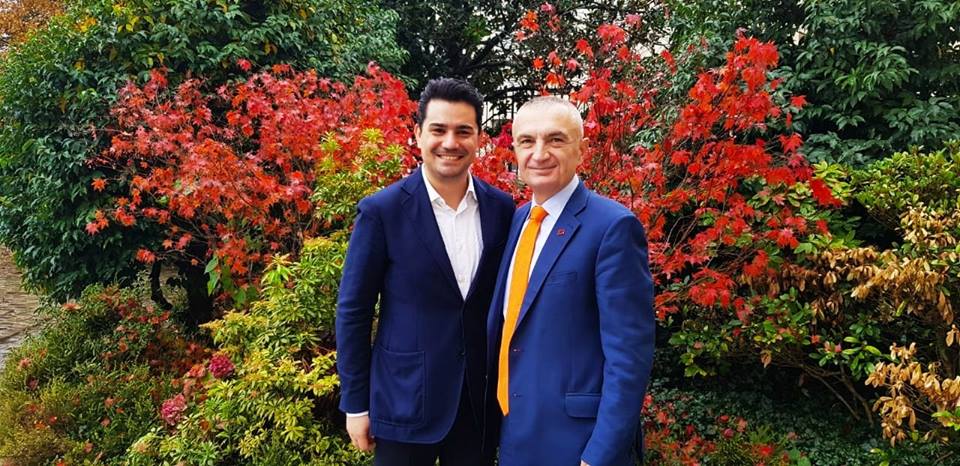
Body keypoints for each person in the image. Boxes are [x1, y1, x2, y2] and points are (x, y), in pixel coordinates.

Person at [336, 78, 515, 466]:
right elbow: (354, 311)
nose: (450, 142)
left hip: (477, 403)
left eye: (463, 131)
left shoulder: (502, 209)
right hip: (403, 399)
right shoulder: (382, 212)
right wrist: (355, 403)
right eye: (438, 129)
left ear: (479, 138)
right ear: (418, 134)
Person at [487, 96, 655, 466]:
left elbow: (629, 357)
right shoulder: (516, 222)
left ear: (582, 150)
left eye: (555, 140)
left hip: (578, 446)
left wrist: (599, 455)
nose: (539, 153)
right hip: (515, 438)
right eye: (527, 141)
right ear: (515, 151)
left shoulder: (612, 227)